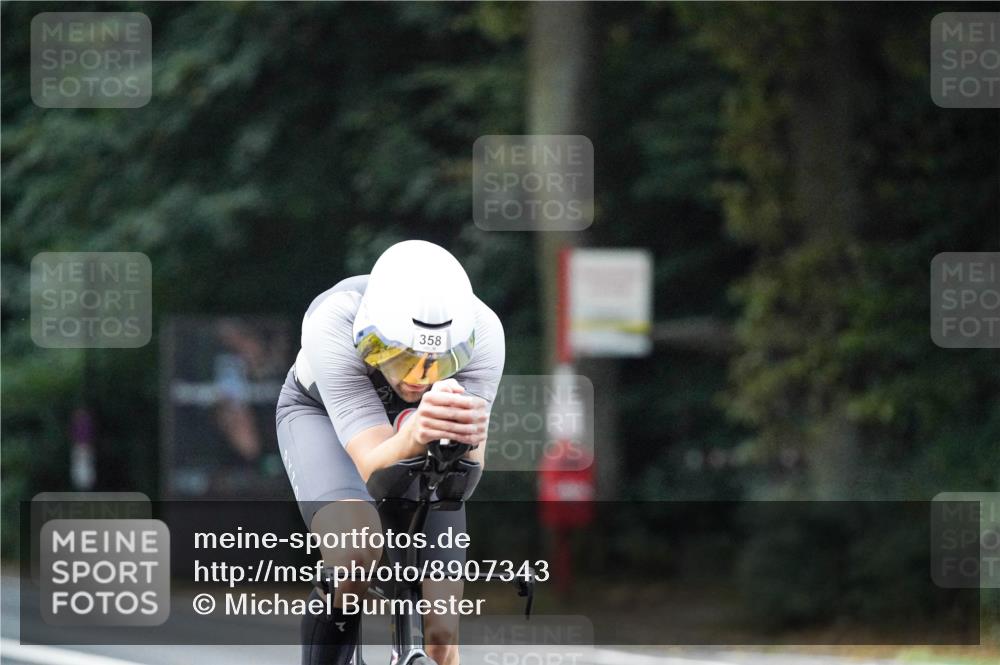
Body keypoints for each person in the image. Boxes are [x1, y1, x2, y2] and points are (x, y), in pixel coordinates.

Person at [276, 240, 505, 665]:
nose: (418, 378)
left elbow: (462, 483)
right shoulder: (332, 320)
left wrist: (465, 444)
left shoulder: (484, 333)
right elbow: (372, 465)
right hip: (320, 416)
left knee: (441, 635)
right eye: (402, 358)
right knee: (354, 554)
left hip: (420, 429)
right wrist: (417, 430)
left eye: (438, 363)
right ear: (371, 339)